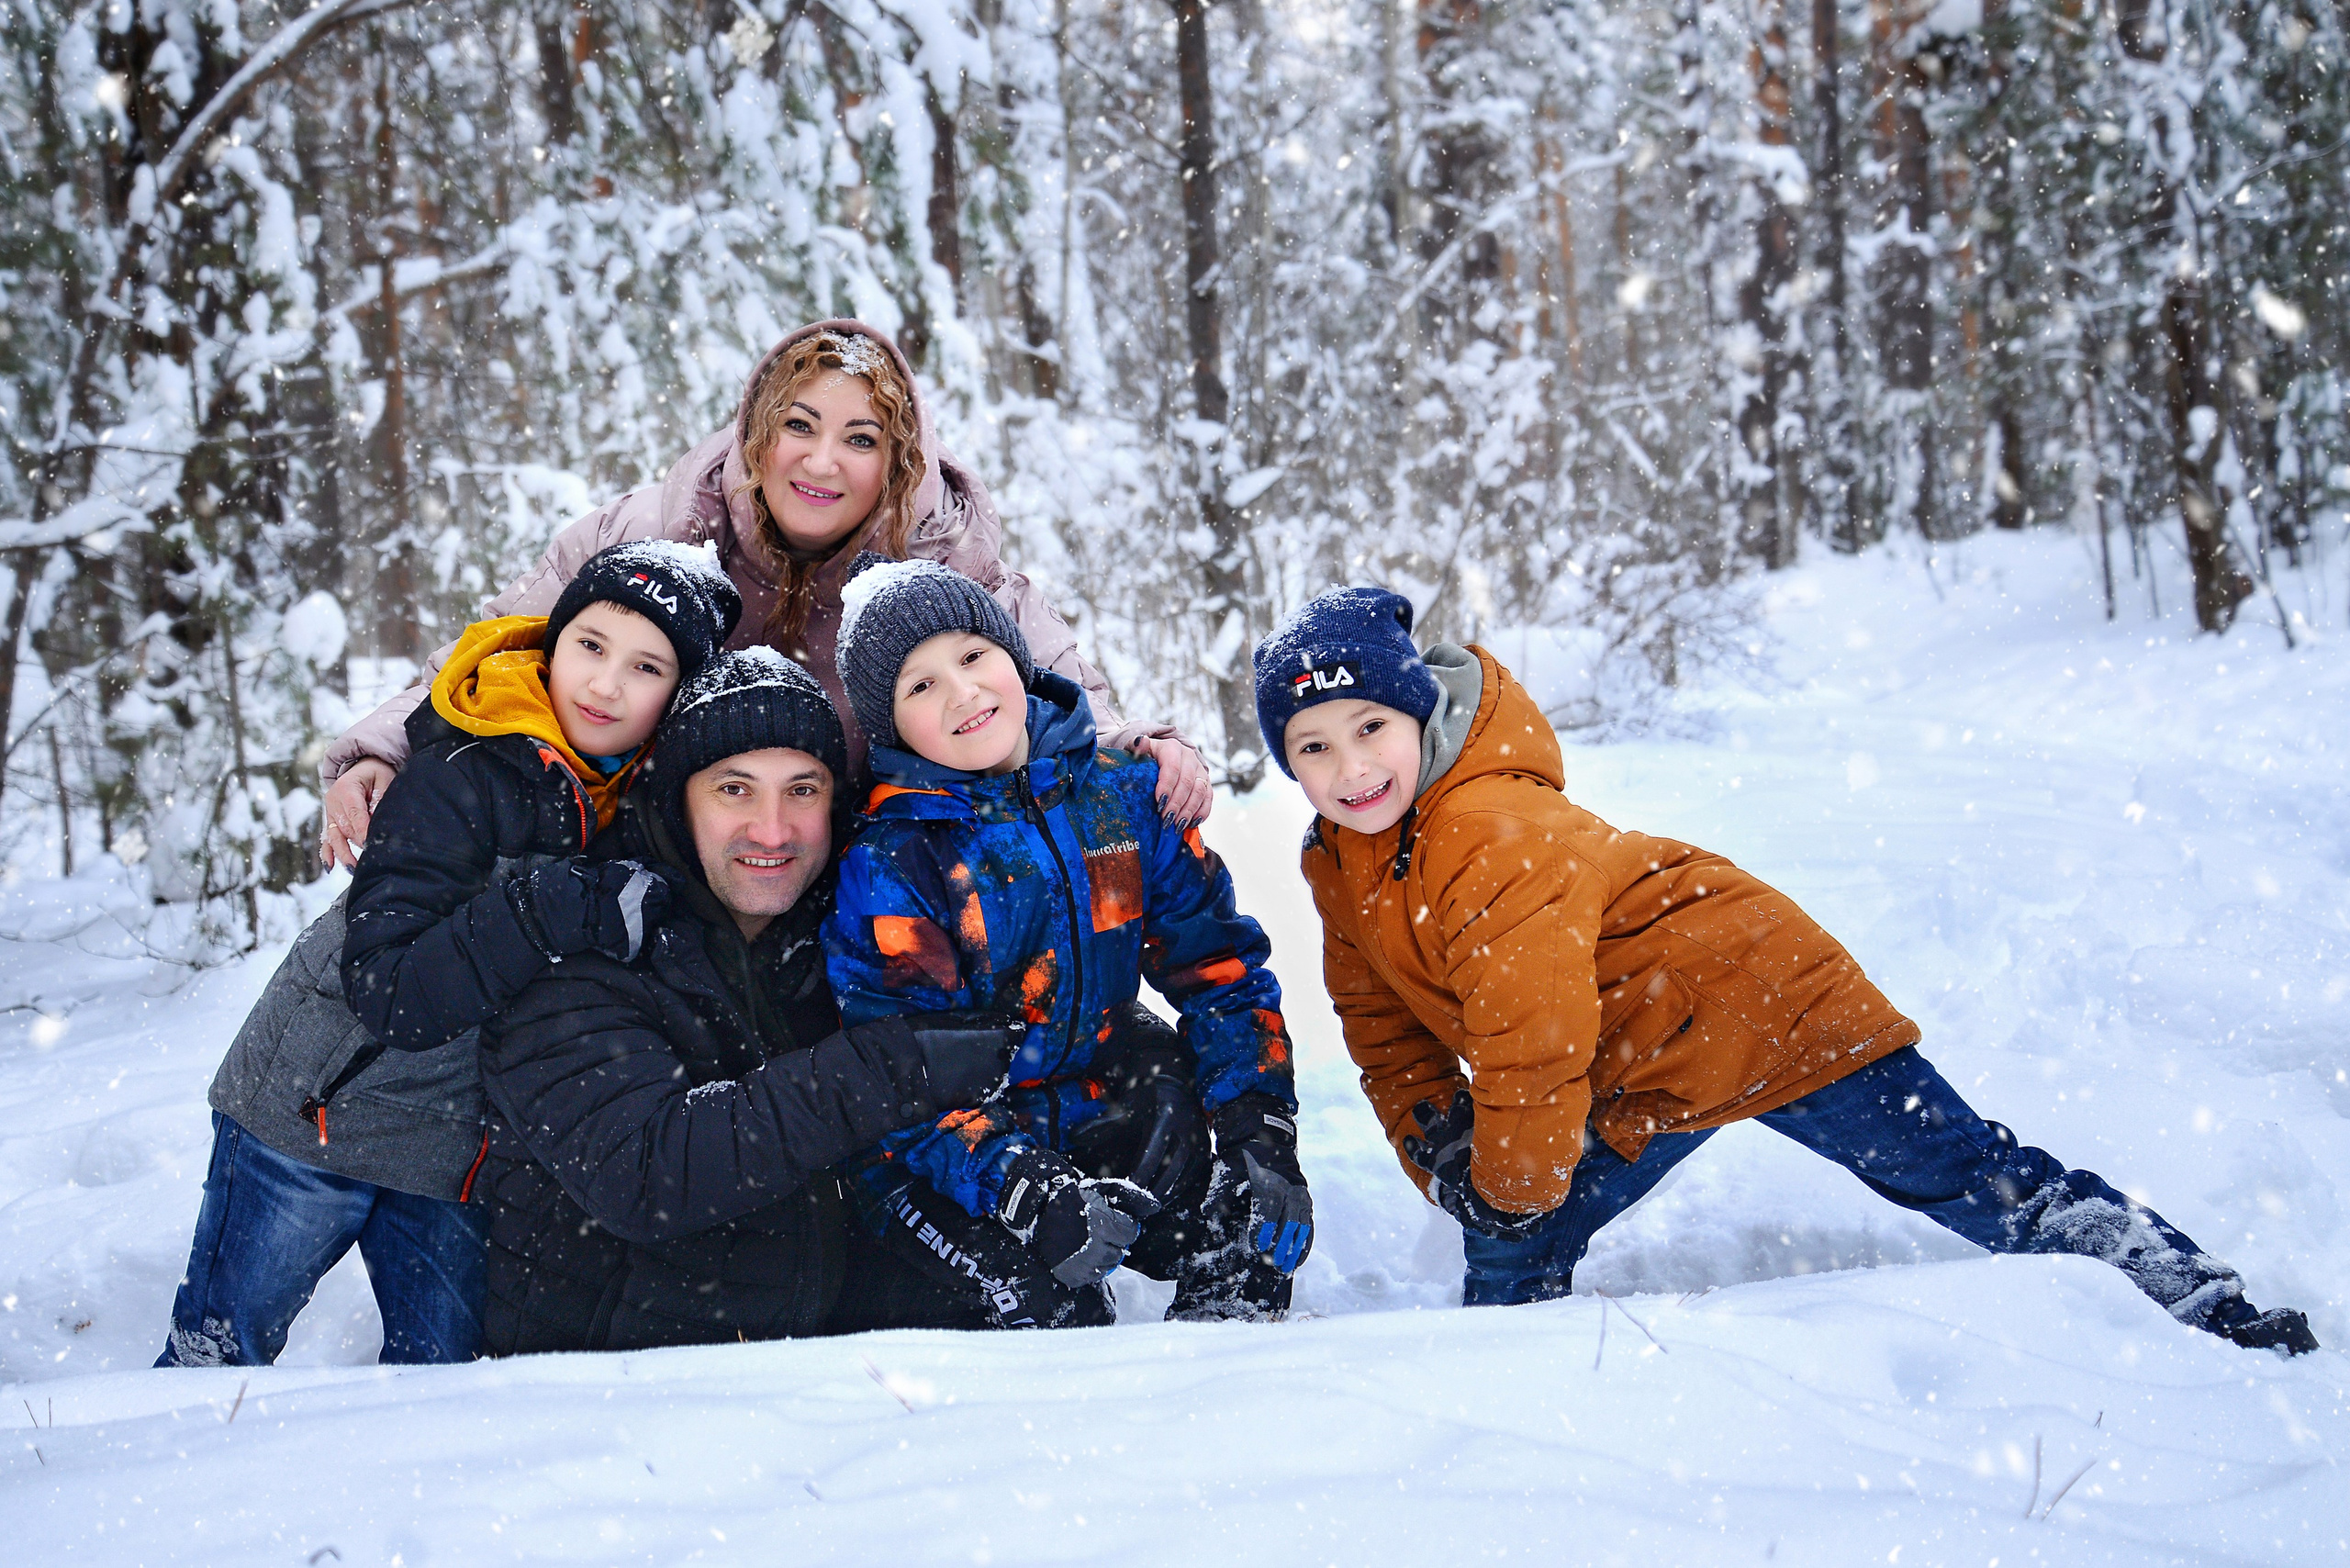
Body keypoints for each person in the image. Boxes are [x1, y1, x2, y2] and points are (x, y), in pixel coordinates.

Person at [1253, 586, 2319, 1356]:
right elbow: (1382, 1028)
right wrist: (1439, 1148)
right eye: (1312, 747)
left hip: (1761, 1003)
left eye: (1370, 728)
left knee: (1964, 1177)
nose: (1349, 768)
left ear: (1419, 717)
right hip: (1635, 1060)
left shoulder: (1488, 827)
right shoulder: (1337, 860)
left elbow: (1527, 1032)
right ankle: (1514, 1424)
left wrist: (1511, 1183)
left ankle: (2201, 1305)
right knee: (1513, 1249)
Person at [316, 321, 1210, 873]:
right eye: (799, 426)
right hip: (682, 873)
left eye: (859, 438)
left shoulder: (941, 563)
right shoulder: (661, 531)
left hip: (875, 883)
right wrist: (387, 745)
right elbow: (500, 649)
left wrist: (1138, 743)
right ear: (756, 431)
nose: (822, 462)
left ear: (895, 462)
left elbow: (1048, 677)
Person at [161, 542, 737, 1368]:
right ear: (553, 644)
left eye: (647, 667)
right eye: (591, 646)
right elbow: (389, 991)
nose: (606, 684)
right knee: (220, 1356)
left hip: (457, 1156)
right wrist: (552, 908)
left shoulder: (634, 805)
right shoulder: (464, 769)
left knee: (443, 1393)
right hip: (317, 1117)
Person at [471, 648, 1025, 1352]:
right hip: (606, 1398)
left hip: (807, 1374)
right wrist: (896, 1067)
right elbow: (648, 1172)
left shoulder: (844, 931)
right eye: (735, 790)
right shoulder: (575, 941)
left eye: (803, 790)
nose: (772, 829)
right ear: (678, 800)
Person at [817, 558, 1312, 1328]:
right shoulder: (897, 861)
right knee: (1050, 1315)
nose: (964, 693)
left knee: (1245, 1232)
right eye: (921, 686)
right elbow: (901, 1077)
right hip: (953, 1151)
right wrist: (1025, 1189)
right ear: (889, 724)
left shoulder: (1119, 797)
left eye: (974, 657)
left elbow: (1220, 971)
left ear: (1014, 657)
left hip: (1096, 1098)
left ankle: (1229, 1381)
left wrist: (1261, 1126)